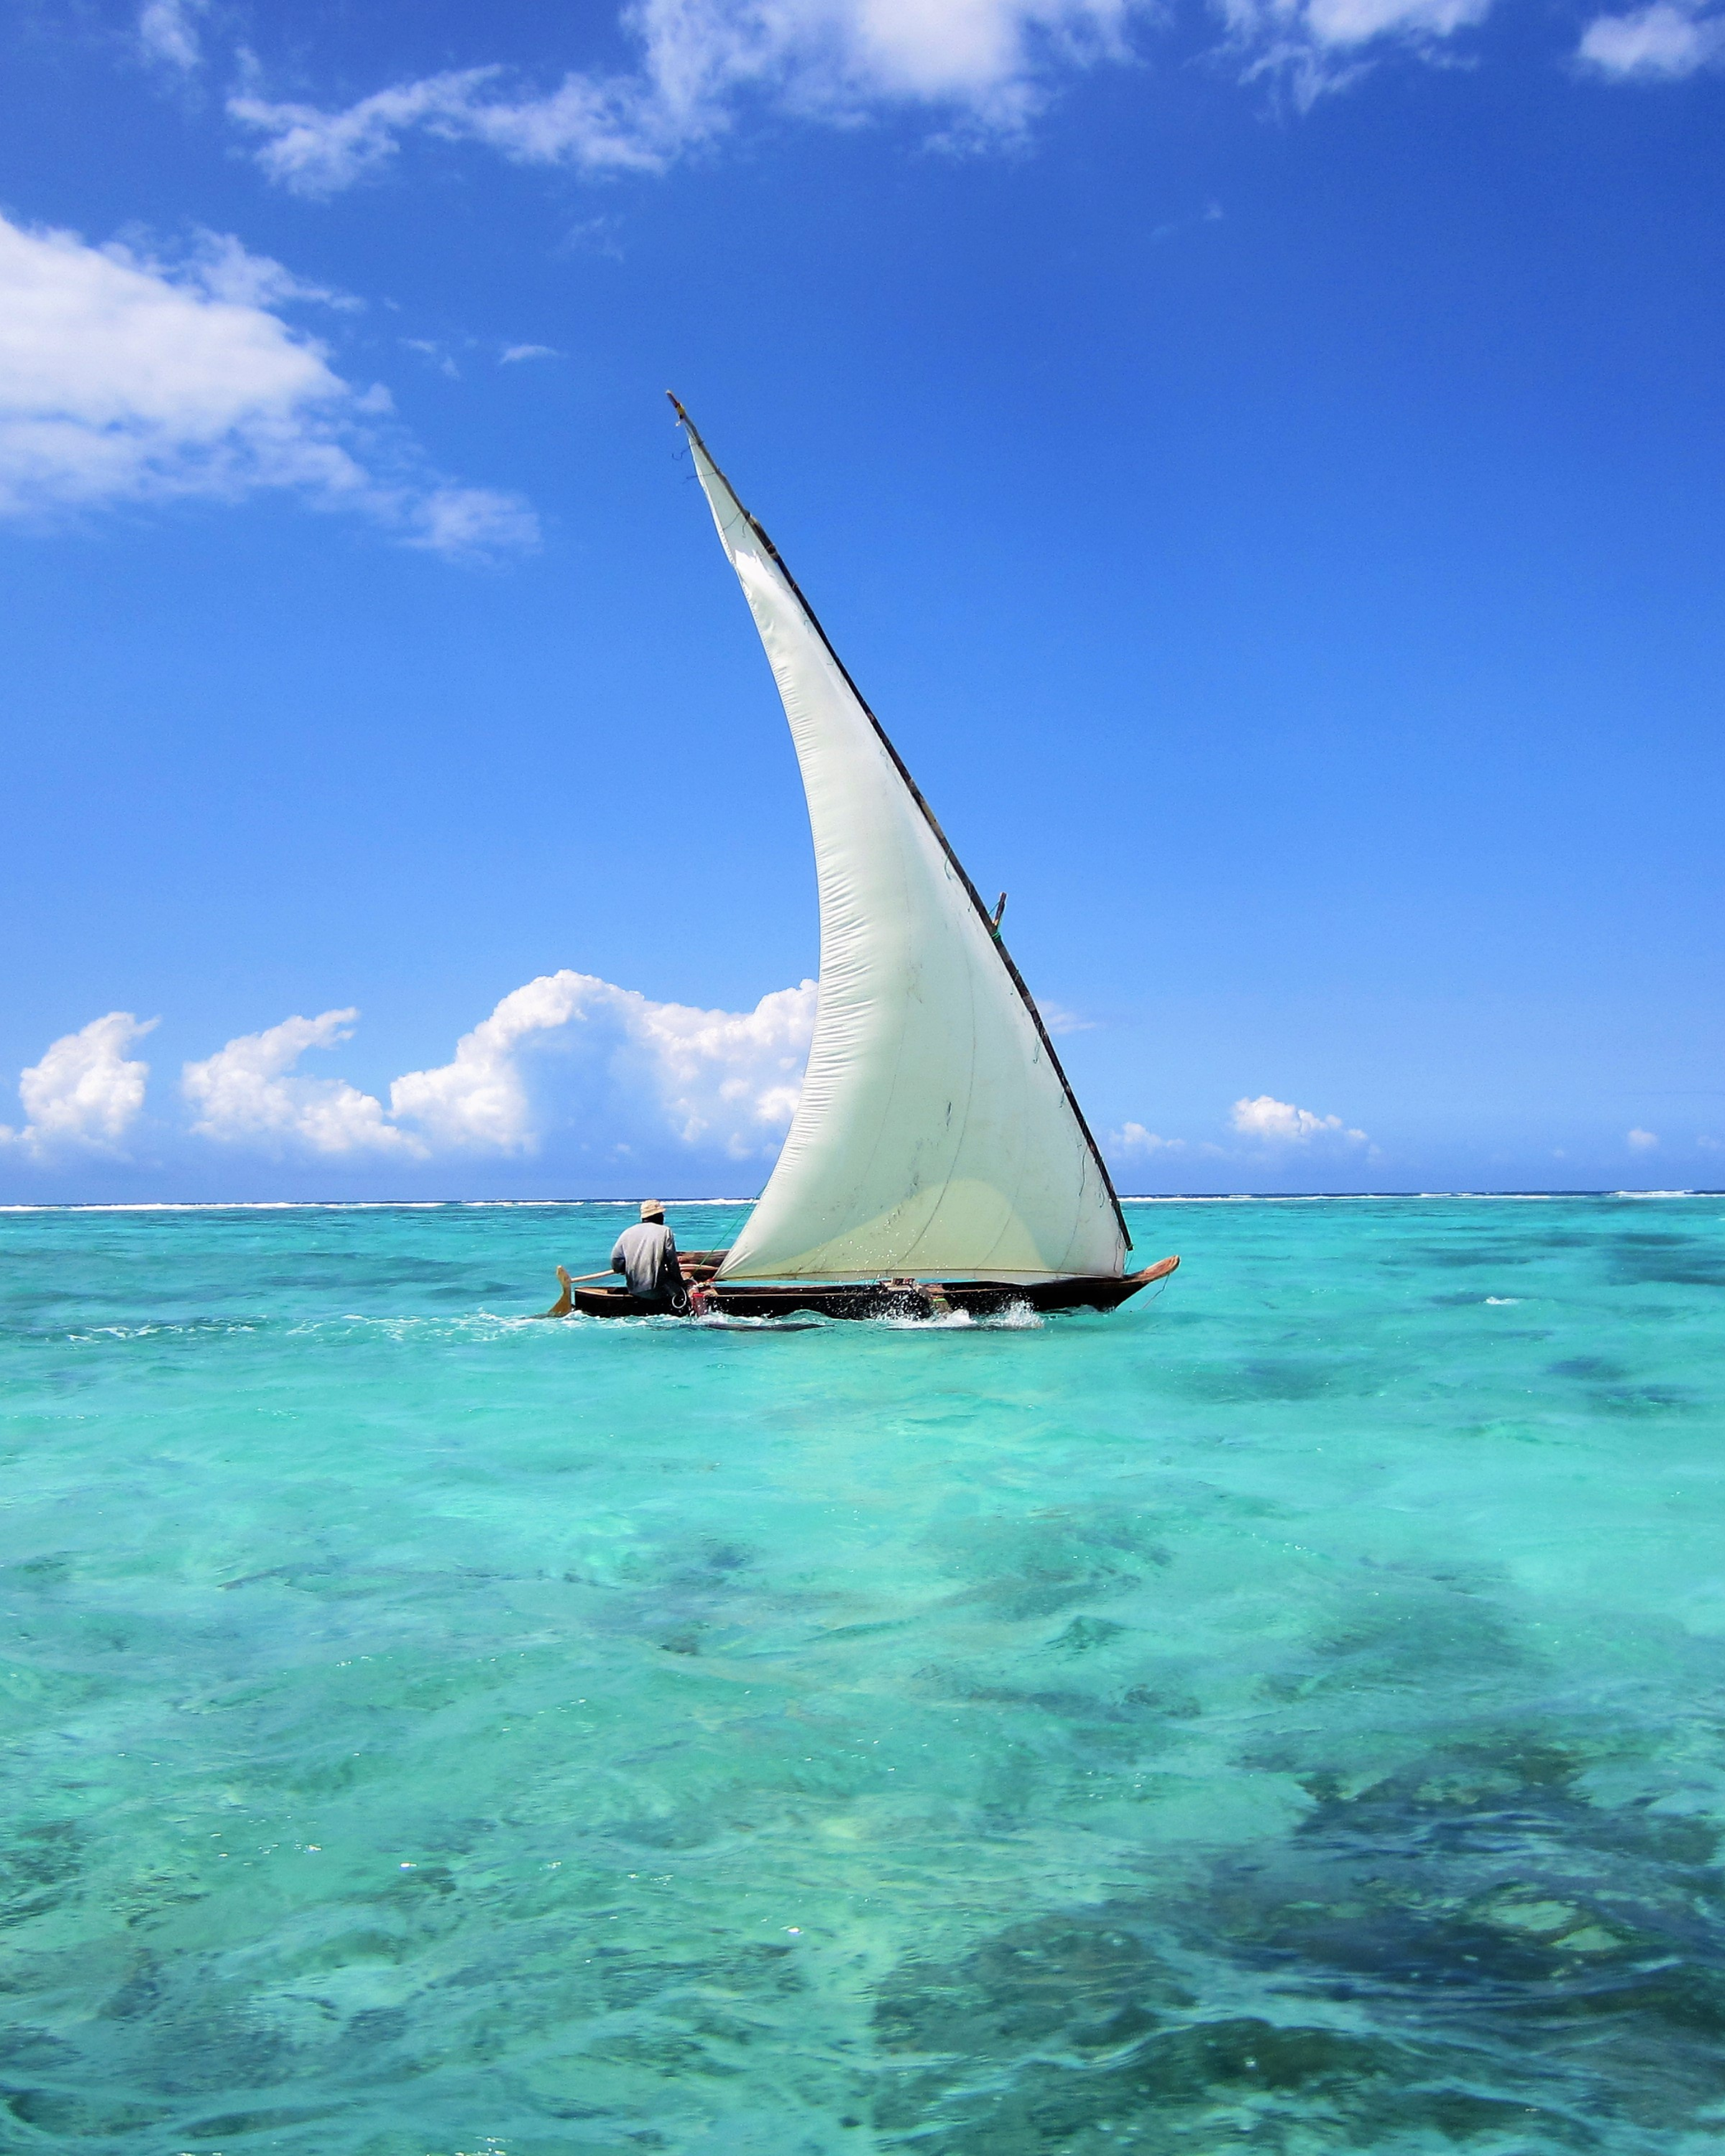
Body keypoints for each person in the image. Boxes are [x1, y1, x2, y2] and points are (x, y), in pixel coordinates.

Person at [610, 1201, 689, 1313]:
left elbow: (616, 1260)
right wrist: (681, 1284)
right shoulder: (665, 1231)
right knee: (683, 1293)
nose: (663, 1217)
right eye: (661, 1214)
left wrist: (624, 1270)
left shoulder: (628, 1232)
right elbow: (672, 1263)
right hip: (657, 1291)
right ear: (657, 1216)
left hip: (634, 1289)